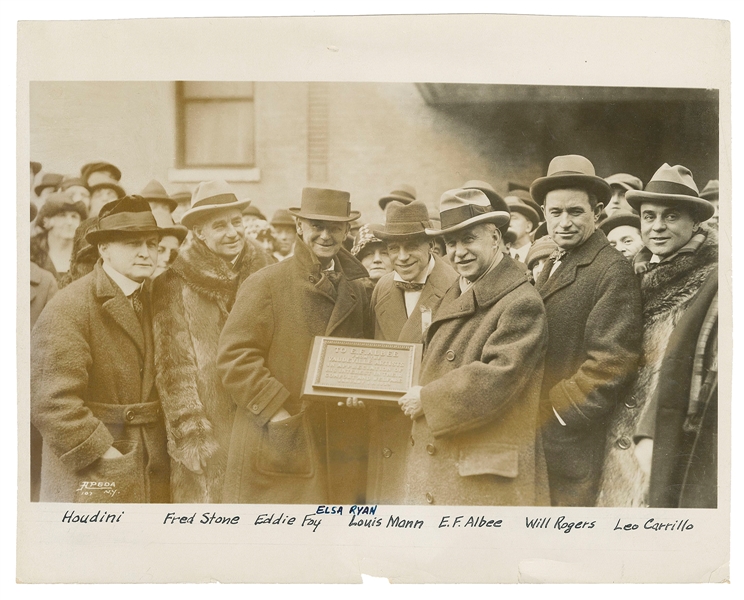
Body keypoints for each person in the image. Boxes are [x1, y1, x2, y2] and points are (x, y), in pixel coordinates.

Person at [395, 188, 549, 506]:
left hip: (482, 477)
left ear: (494, 237)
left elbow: (498, 378)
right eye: (451, 243)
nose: (459, 251)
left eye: (469, 239)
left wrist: (427, 398)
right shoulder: (459, 288)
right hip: (453, 463)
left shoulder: (520, 301)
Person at [217, 187, 371, 504]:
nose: (326, 236)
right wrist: (278, 414)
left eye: (335, 227)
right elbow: (234, 359)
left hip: (337, 444)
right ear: (299, 226)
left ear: (347, 231)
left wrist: (361, 390)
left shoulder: (358, 289)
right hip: (277, 439)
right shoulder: (266, 283)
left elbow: (360, 357)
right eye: (317, 226)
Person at [31, 196, 170, 503]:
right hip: (92, 474)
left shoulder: (156, 300)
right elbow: (50, 401)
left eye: (152, 243)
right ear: (104, 248)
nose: (146, 253)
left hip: (150, 466)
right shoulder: (70, 306)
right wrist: (103, 453)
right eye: (133, 243)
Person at [597, 164, 717, 507]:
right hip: (613, 443)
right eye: (649, 216)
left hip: (664, 443)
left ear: (695, 223)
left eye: (671, 216)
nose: (657, 227)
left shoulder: (712, 282)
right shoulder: (632, 275)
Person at [530, 154, 642, 507]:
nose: (564, 222)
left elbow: (612, 361)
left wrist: (557, 411)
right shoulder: (552, 263)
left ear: (597, 213)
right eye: (555, 212)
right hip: (539, 438)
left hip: (571, 441)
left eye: (575, 212)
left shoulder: (612, 270)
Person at [151, 180, 272, 503]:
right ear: (199, 233)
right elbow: (173, 367)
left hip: (264, 419)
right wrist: (190, 433)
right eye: (220, 226)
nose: (233, 232)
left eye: (236, 222)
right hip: (212, 426)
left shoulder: (268, 274)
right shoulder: (174, 283)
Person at [362, 202, 458, 503]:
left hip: (432, 424)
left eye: (412, 246)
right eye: (393, 247)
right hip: (388, 423)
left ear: (431, 244)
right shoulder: (383, 288)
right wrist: (359, 386)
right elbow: (375, 351)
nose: (401, 257)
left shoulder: (456, 285)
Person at [30, 191, 87, 283]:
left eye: (74, 217)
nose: (69, 222)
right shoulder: (31, 251)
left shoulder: (87, 254)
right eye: (62, 216)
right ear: (47, 221)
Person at [350, 223, 393, 301]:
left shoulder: (406, 294)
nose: (377, 260)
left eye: (384, 253)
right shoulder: (349, 295)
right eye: (369, 254)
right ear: (359, 261)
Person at [505, 190, 541, 262]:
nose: (508, 223)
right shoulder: (499, 259)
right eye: (505, 219)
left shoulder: (540, 255)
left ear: (528, 226)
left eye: (513, 217)